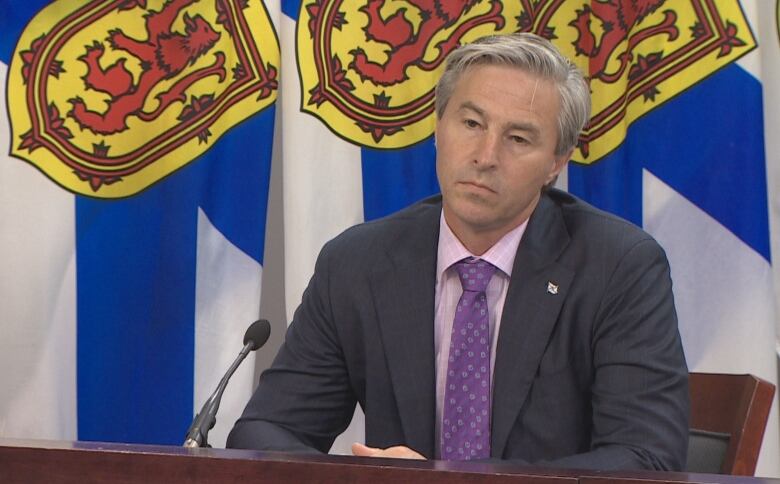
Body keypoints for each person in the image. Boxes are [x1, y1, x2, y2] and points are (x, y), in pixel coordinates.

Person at [227, 32, 689, 471]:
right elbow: (265, 430)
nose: (485, 155)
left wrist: (448, 479)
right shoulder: (358, 263)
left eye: (519, 138)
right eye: (470, 123)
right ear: (437, 128)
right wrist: (363, 476)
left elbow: (645, 457)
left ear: (556, 162)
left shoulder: (619, 267)